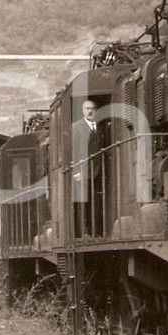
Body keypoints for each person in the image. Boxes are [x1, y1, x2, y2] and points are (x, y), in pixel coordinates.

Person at [72, 99, 104, 236]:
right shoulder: (76, 127)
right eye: (87, 108)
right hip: (83, 170)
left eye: (92, 108)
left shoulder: (100, 126)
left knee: (96, 201)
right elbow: (74, 149)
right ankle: (85, 231)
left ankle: (96, 231)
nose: (90, 111)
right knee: (84, 202)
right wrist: (76, 171)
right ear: (83, 111)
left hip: (97, 170)